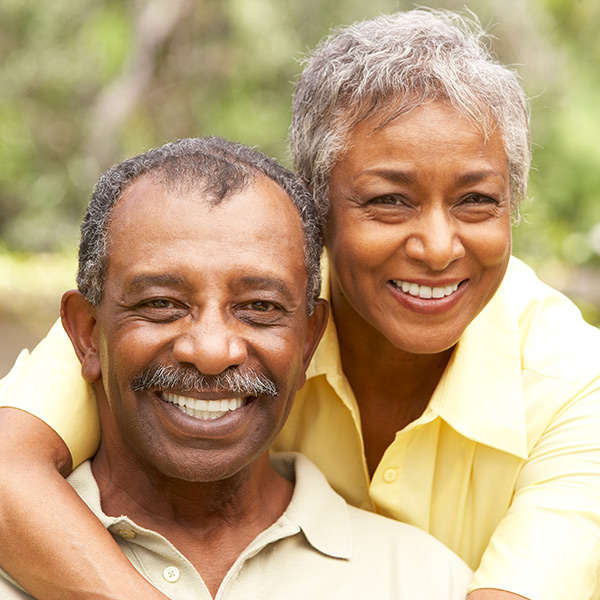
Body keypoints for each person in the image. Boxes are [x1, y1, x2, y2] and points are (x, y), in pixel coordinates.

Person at [1, 8, 599, 600]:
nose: (439, 248)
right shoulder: (170, 316)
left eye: (477, 201)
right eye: (390, 200)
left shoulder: (577, 386)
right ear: (314, 212)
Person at [0, 137, 472, 599]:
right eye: (161, 303)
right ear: (86, 333)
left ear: (309, 341)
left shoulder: (427, 582)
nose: (210, 351)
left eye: (259, 307)